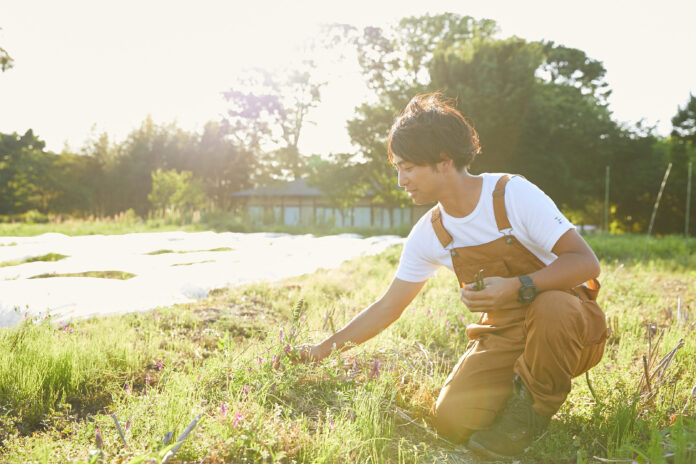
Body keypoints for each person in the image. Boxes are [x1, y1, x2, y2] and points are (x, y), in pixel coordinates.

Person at [297, 93, 608, 459]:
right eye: (398, 168)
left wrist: (517, 287)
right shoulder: (430, 232)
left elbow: (585, 261)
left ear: (444, 163)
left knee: (552, 304)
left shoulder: (512, 194)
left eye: (409, 167)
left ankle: (531, 416)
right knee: (451, 420)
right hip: (505, 337)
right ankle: (519, 387)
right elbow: (389, 307)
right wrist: (318, 353)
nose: (401, 180)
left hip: (569, 329)